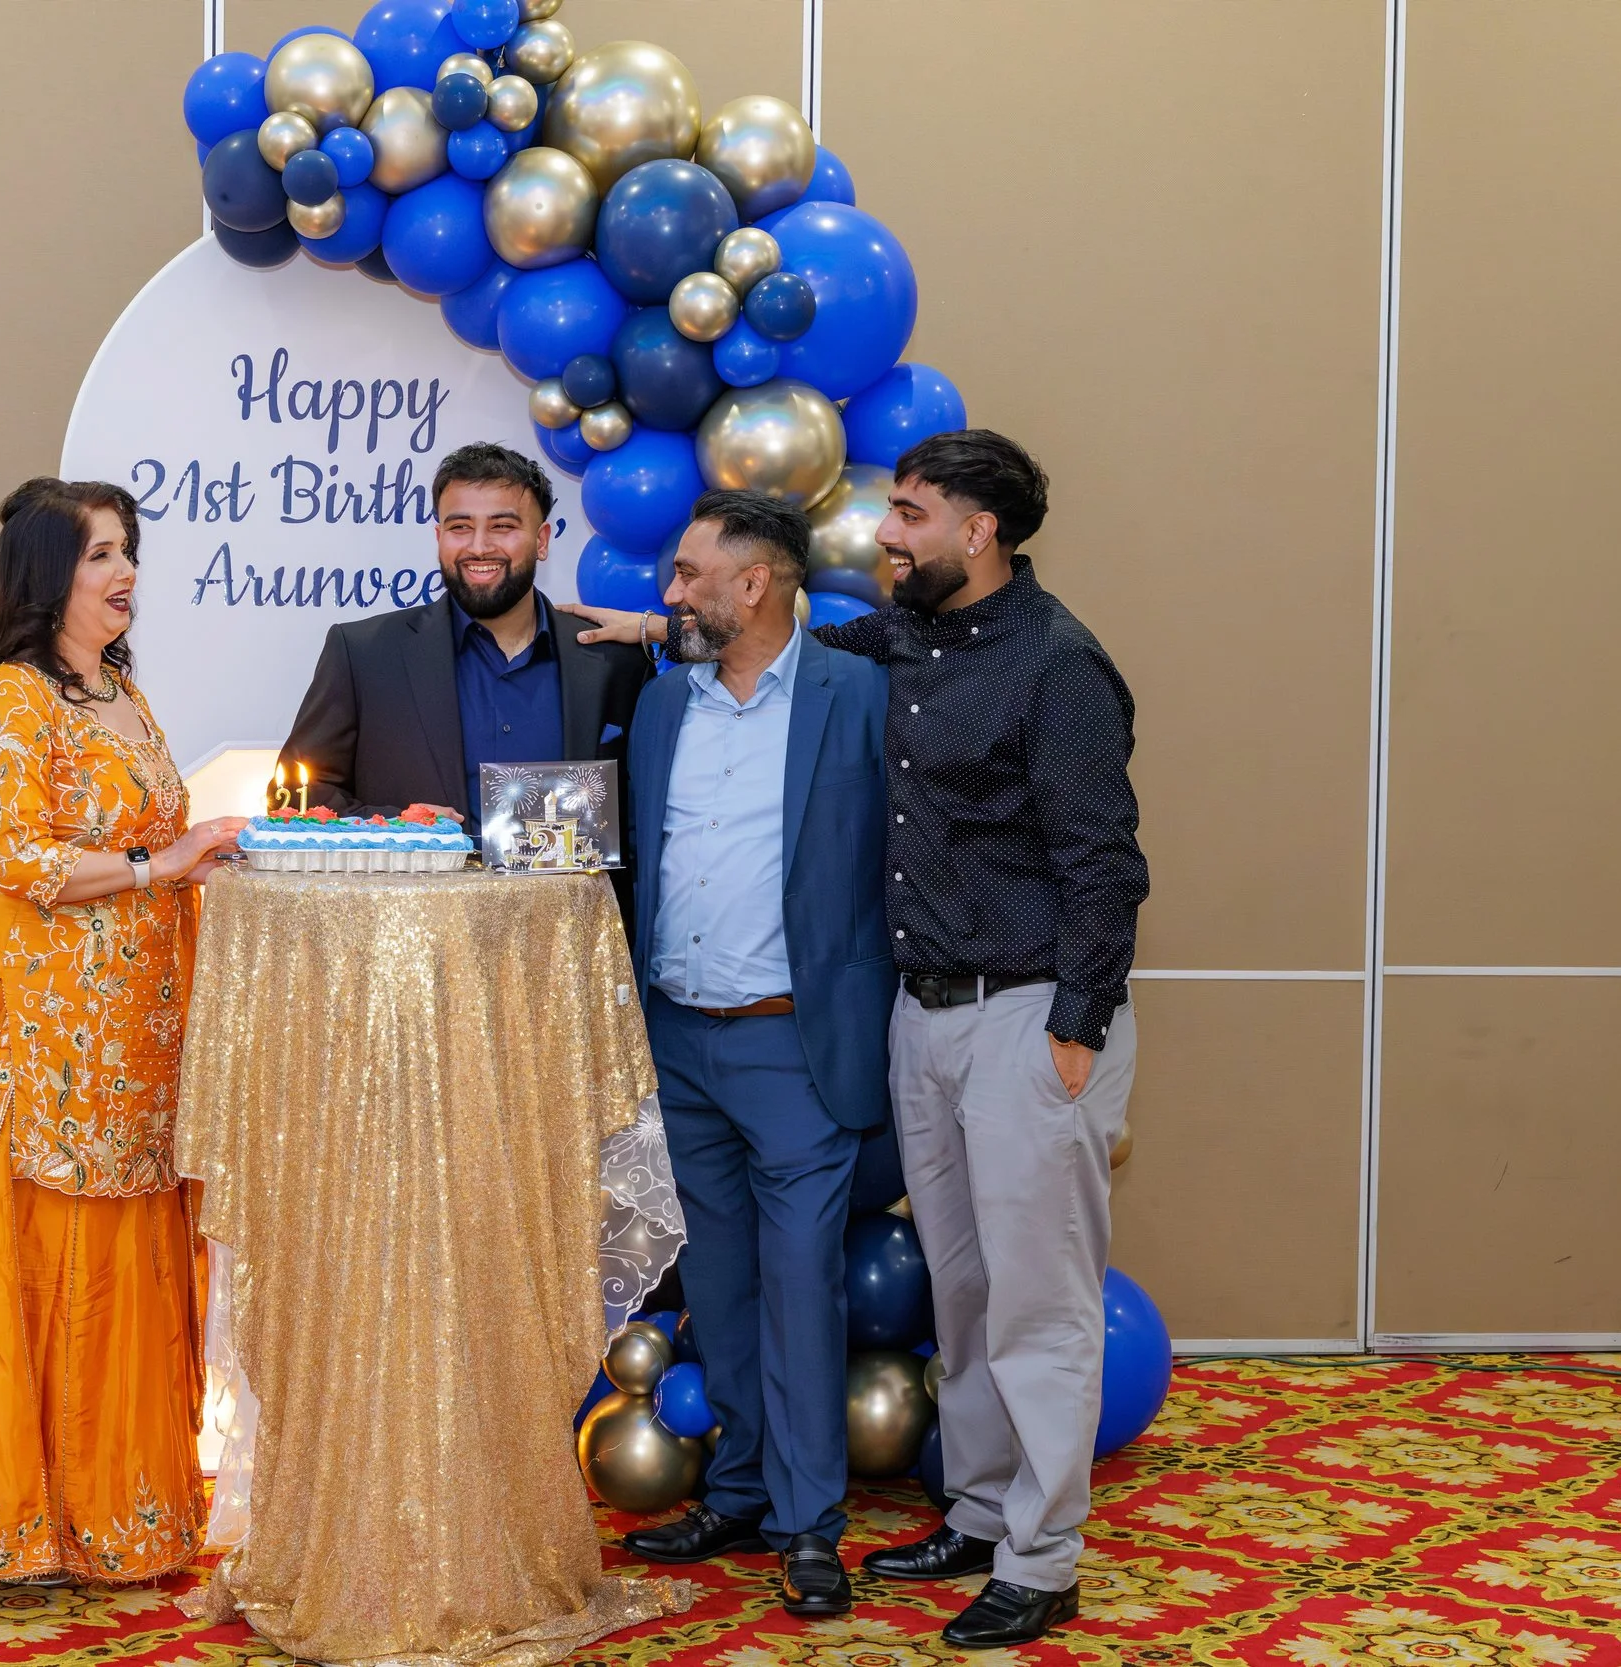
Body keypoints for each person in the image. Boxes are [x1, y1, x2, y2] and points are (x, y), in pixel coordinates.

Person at [564, 431, 1147, 1649]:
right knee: (967, 1289)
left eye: (911, 515)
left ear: (976, 531)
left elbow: (1104, 861)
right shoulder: (904, 639)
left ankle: (1042, 1558)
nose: (885, 535)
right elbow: (771, 654)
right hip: (917, 1014)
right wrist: (651, 633)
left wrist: (1078, 1028)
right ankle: (982, 1511)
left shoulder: (1058, 662)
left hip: (1031, 1011)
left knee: (1038, 1303)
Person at [0, 477, 247, 1586]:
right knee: (42, 1259)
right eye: (99, 555)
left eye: (127, 550)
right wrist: (162, 863)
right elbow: (23, 860)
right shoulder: (9, 697)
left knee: (132, 1253)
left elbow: (160, 838)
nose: (124, 571)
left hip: (141, 1021)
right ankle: (16, 1516)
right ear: (48, 576)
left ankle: (119, 1516)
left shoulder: (121, 695)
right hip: (46, 1031)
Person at [616, 490, 892, 1620]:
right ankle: (734, 1487)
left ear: (755, 582)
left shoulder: (855, 695)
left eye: (688, 574)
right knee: (717, 1283)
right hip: (678, 1037)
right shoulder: (662, 705)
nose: (670, 592)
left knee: (800, 1288)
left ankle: (807, 1522)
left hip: (794, 1043)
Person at [276, 441, 651, 824]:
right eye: (460, 527)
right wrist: (401, 826)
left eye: (502, 526)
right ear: (439, 537)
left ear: (541, 541)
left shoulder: (612, 659)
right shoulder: (364, 653)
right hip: (415, 884)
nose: (479, 547)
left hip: (572, 886)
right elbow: (294, 795)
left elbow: (646, 812)